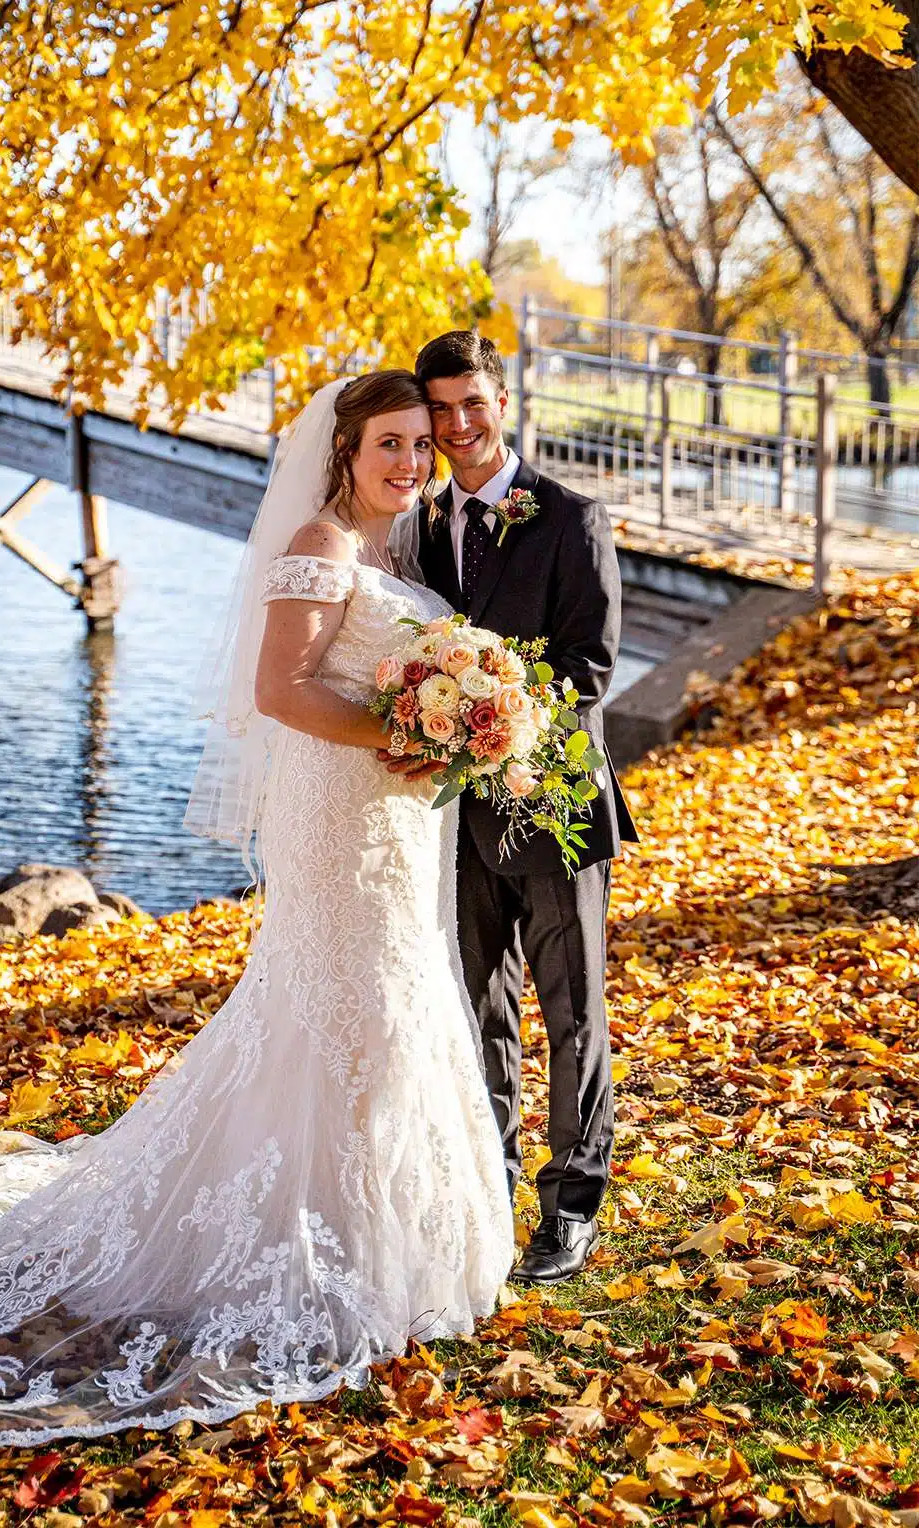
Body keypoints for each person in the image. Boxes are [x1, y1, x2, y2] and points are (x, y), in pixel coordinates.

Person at [0, 370, 512, 1451]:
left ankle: (384, 1240)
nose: (412, 462)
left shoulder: (392, 554)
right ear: (345, 451)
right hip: (345, 817)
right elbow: (279, 690)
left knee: (389, 1008)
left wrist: (448, 726)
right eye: (391, 443)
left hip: (396, 816)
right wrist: (408, 730)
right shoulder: (325, 547)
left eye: (422, 445)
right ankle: (319, 1249)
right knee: (347, 1007)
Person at [409, 330, 638, 1286]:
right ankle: (489, 1185)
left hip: (553, 801)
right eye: (441, 410)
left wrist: (501, 725)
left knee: (573, 1010)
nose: (459, 426)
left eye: (475, 404)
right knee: (478, 1007)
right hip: (455, 815)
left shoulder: (572, 518)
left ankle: (573, 1205)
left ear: (505, 402)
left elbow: (590, 665)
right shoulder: (417, 526)